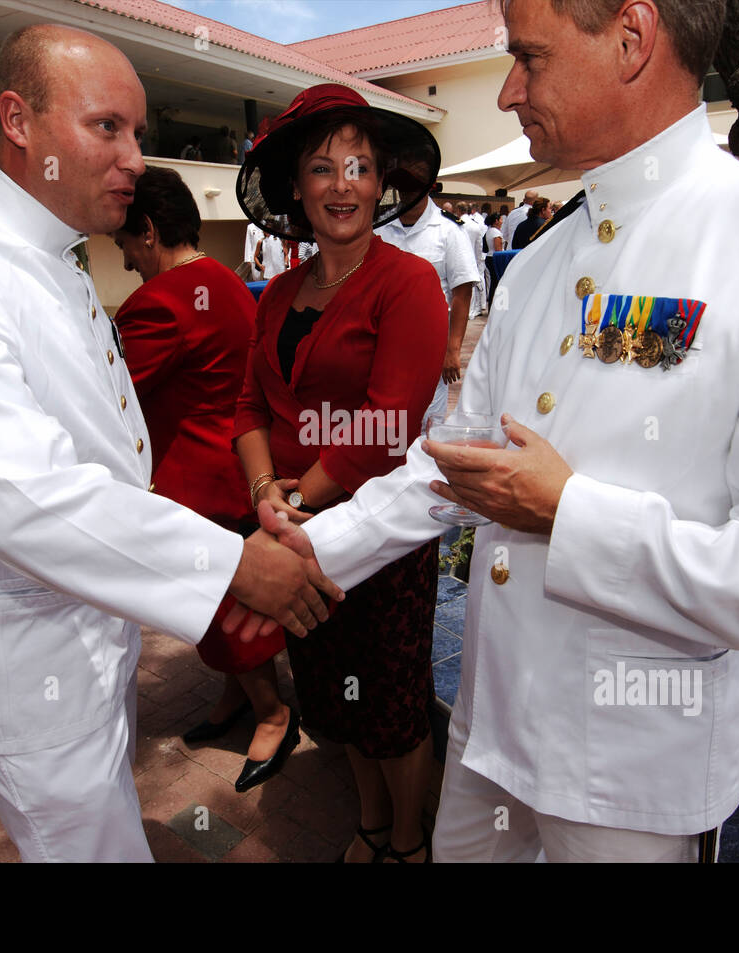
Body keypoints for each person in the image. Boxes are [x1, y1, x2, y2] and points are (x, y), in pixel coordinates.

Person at [252, 0, 739, 862]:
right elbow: (454, 464)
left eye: (530, 59)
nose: (509, 92)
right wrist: (313, 549)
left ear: (631, 38)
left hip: (627, 782)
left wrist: (570, 513)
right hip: (491, 738)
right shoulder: (540, 268)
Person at [0, 24, 340, 863]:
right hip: (21, 668)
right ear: (18, 120)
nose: (135, 158)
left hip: (84, 633)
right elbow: (30, 501)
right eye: (107, 126)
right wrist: (231, 564)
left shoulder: (46, 254)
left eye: (137, 132)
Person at [234, 82, 447, 861]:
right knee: (336, 695)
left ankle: (409, 841)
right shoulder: (278, 293)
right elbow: (248, 405)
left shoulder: (408, 283)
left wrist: (295, 499)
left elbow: (387, 427)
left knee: (391, 705)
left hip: (377, 537)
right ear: (296, 186)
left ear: (381, 180)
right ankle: (370, 821)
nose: (342, 185)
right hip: (291, 529)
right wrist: (266, 493)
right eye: (322, 168)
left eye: (359, 166)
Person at [110, 166, 292, 791]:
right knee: (234, 599)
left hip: (198, 480)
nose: (126, 260)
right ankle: (239, 696)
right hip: (241, 466)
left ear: (148, 230)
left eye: (125, 243)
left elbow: (110, 397)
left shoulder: (156, 303)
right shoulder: (225, 280)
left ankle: (273, 713)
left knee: (221, 604)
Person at [375, 189, 481, 421]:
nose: (410, 187)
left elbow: (462, 293)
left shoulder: (449, 230)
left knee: (427, 423)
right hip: (384, 347)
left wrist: (453, 350)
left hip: (430, 349)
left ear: (430, 184)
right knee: (387, 423)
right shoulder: (380, 228)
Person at [481, 211, 504, 307]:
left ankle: (492, 304)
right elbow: (498, 249)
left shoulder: (490, 231)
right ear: (496, 221)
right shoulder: (495, 232)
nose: (502, 221)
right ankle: (495, 305)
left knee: (494, 283)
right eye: (501, 219)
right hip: (495, 258)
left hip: (490, 257)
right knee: (496, 283)